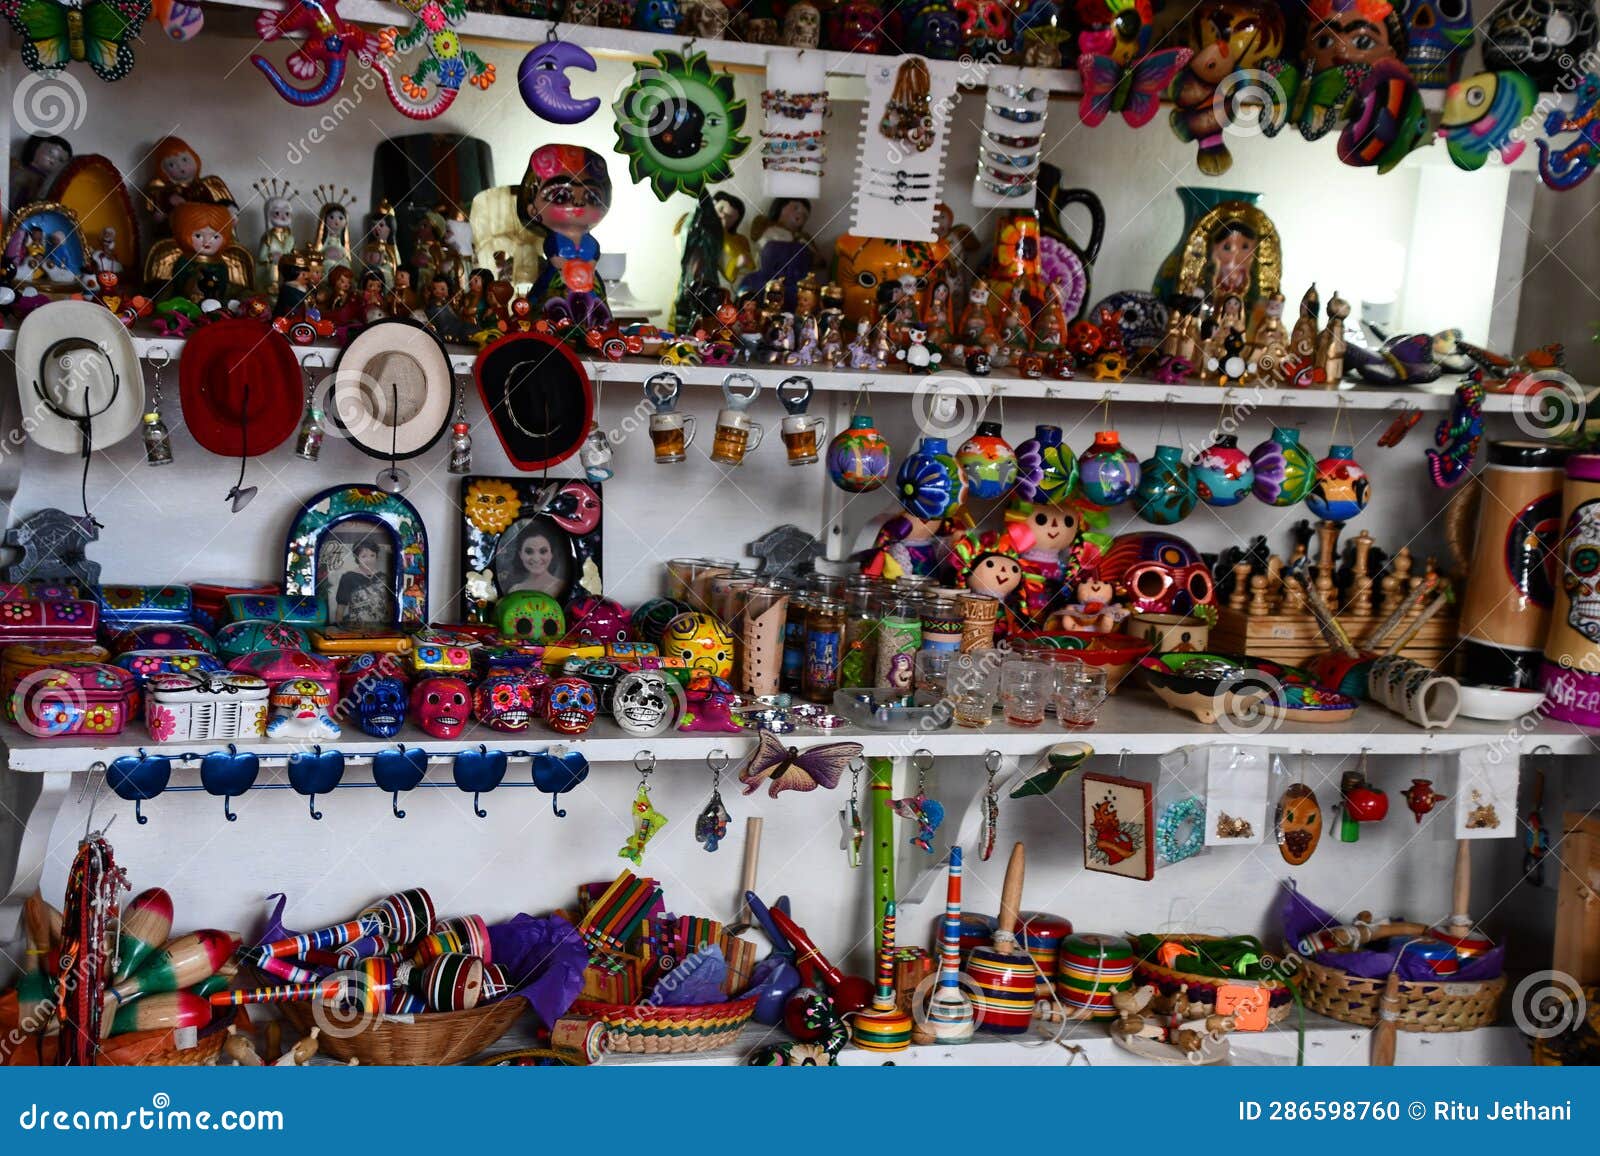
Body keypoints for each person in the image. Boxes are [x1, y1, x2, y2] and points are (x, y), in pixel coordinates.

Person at [336, 541, 394, 624]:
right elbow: (340, 608)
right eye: (364, 556)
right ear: (357, 558)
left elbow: (390, 606)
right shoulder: (348, 577)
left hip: (380, 629)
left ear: (376, 556)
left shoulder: (384, 578)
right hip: (355, 628)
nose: (369, 560)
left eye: (372, 555)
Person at [506, 526, 566, 595]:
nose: (536, 558)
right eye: (529, 552)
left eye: (543, 551)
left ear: (551, 554)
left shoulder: (562, 586)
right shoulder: (515, 590)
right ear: (520, 555)